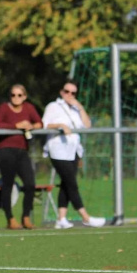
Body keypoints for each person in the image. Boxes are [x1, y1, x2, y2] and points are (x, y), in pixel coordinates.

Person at [42, 80, 105, 229]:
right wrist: (60, 125)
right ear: (61, 92)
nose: (69, 95)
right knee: (71, 184)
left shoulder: (76, 109)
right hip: (58, 149)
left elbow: (87, 125)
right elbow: (44, 124)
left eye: (73, 93)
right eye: (67, 91)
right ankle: (86, 217)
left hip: (73, 150)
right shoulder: (53, 106)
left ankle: (61, 219)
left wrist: (80, 107)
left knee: (66, 184)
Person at [0, 84, 42, 229]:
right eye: (13, 95)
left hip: (22, 151)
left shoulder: (28, 108)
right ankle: (10, 218)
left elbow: (39, 123)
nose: (16, 98)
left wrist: (31, 126)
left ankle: (26, 216)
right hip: (6, 150)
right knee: (8, 184)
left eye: (19, 95)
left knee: (30, 183)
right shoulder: (3, 108)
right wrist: (16, 126)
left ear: (25, 96)